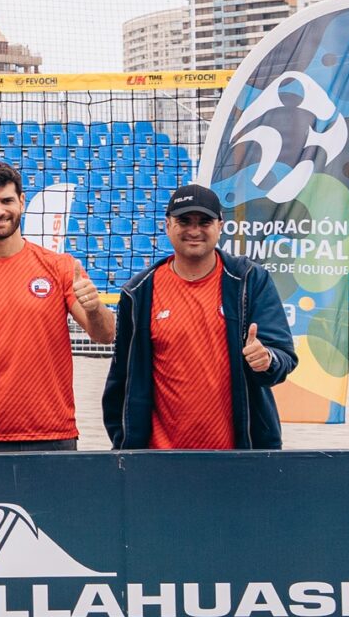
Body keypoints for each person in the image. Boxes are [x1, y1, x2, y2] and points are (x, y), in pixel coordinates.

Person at [0, 161, 115, 453]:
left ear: (22, 202)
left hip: (53, 433)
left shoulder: (60, 267)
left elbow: (105, 335)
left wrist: (94, 308)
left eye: (6, 200)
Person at [103, 183, 296, 450]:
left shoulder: (249, 280)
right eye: (184, 221)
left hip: (239, 455)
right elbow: (121, 378)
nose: (194, 231)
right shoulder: (138, 292)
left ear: (220, 226)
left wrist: (267, 360)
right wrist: (125, 444)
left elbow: (283, 356)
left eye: (204, 222)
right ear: (168, 225)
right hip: (158, 457)